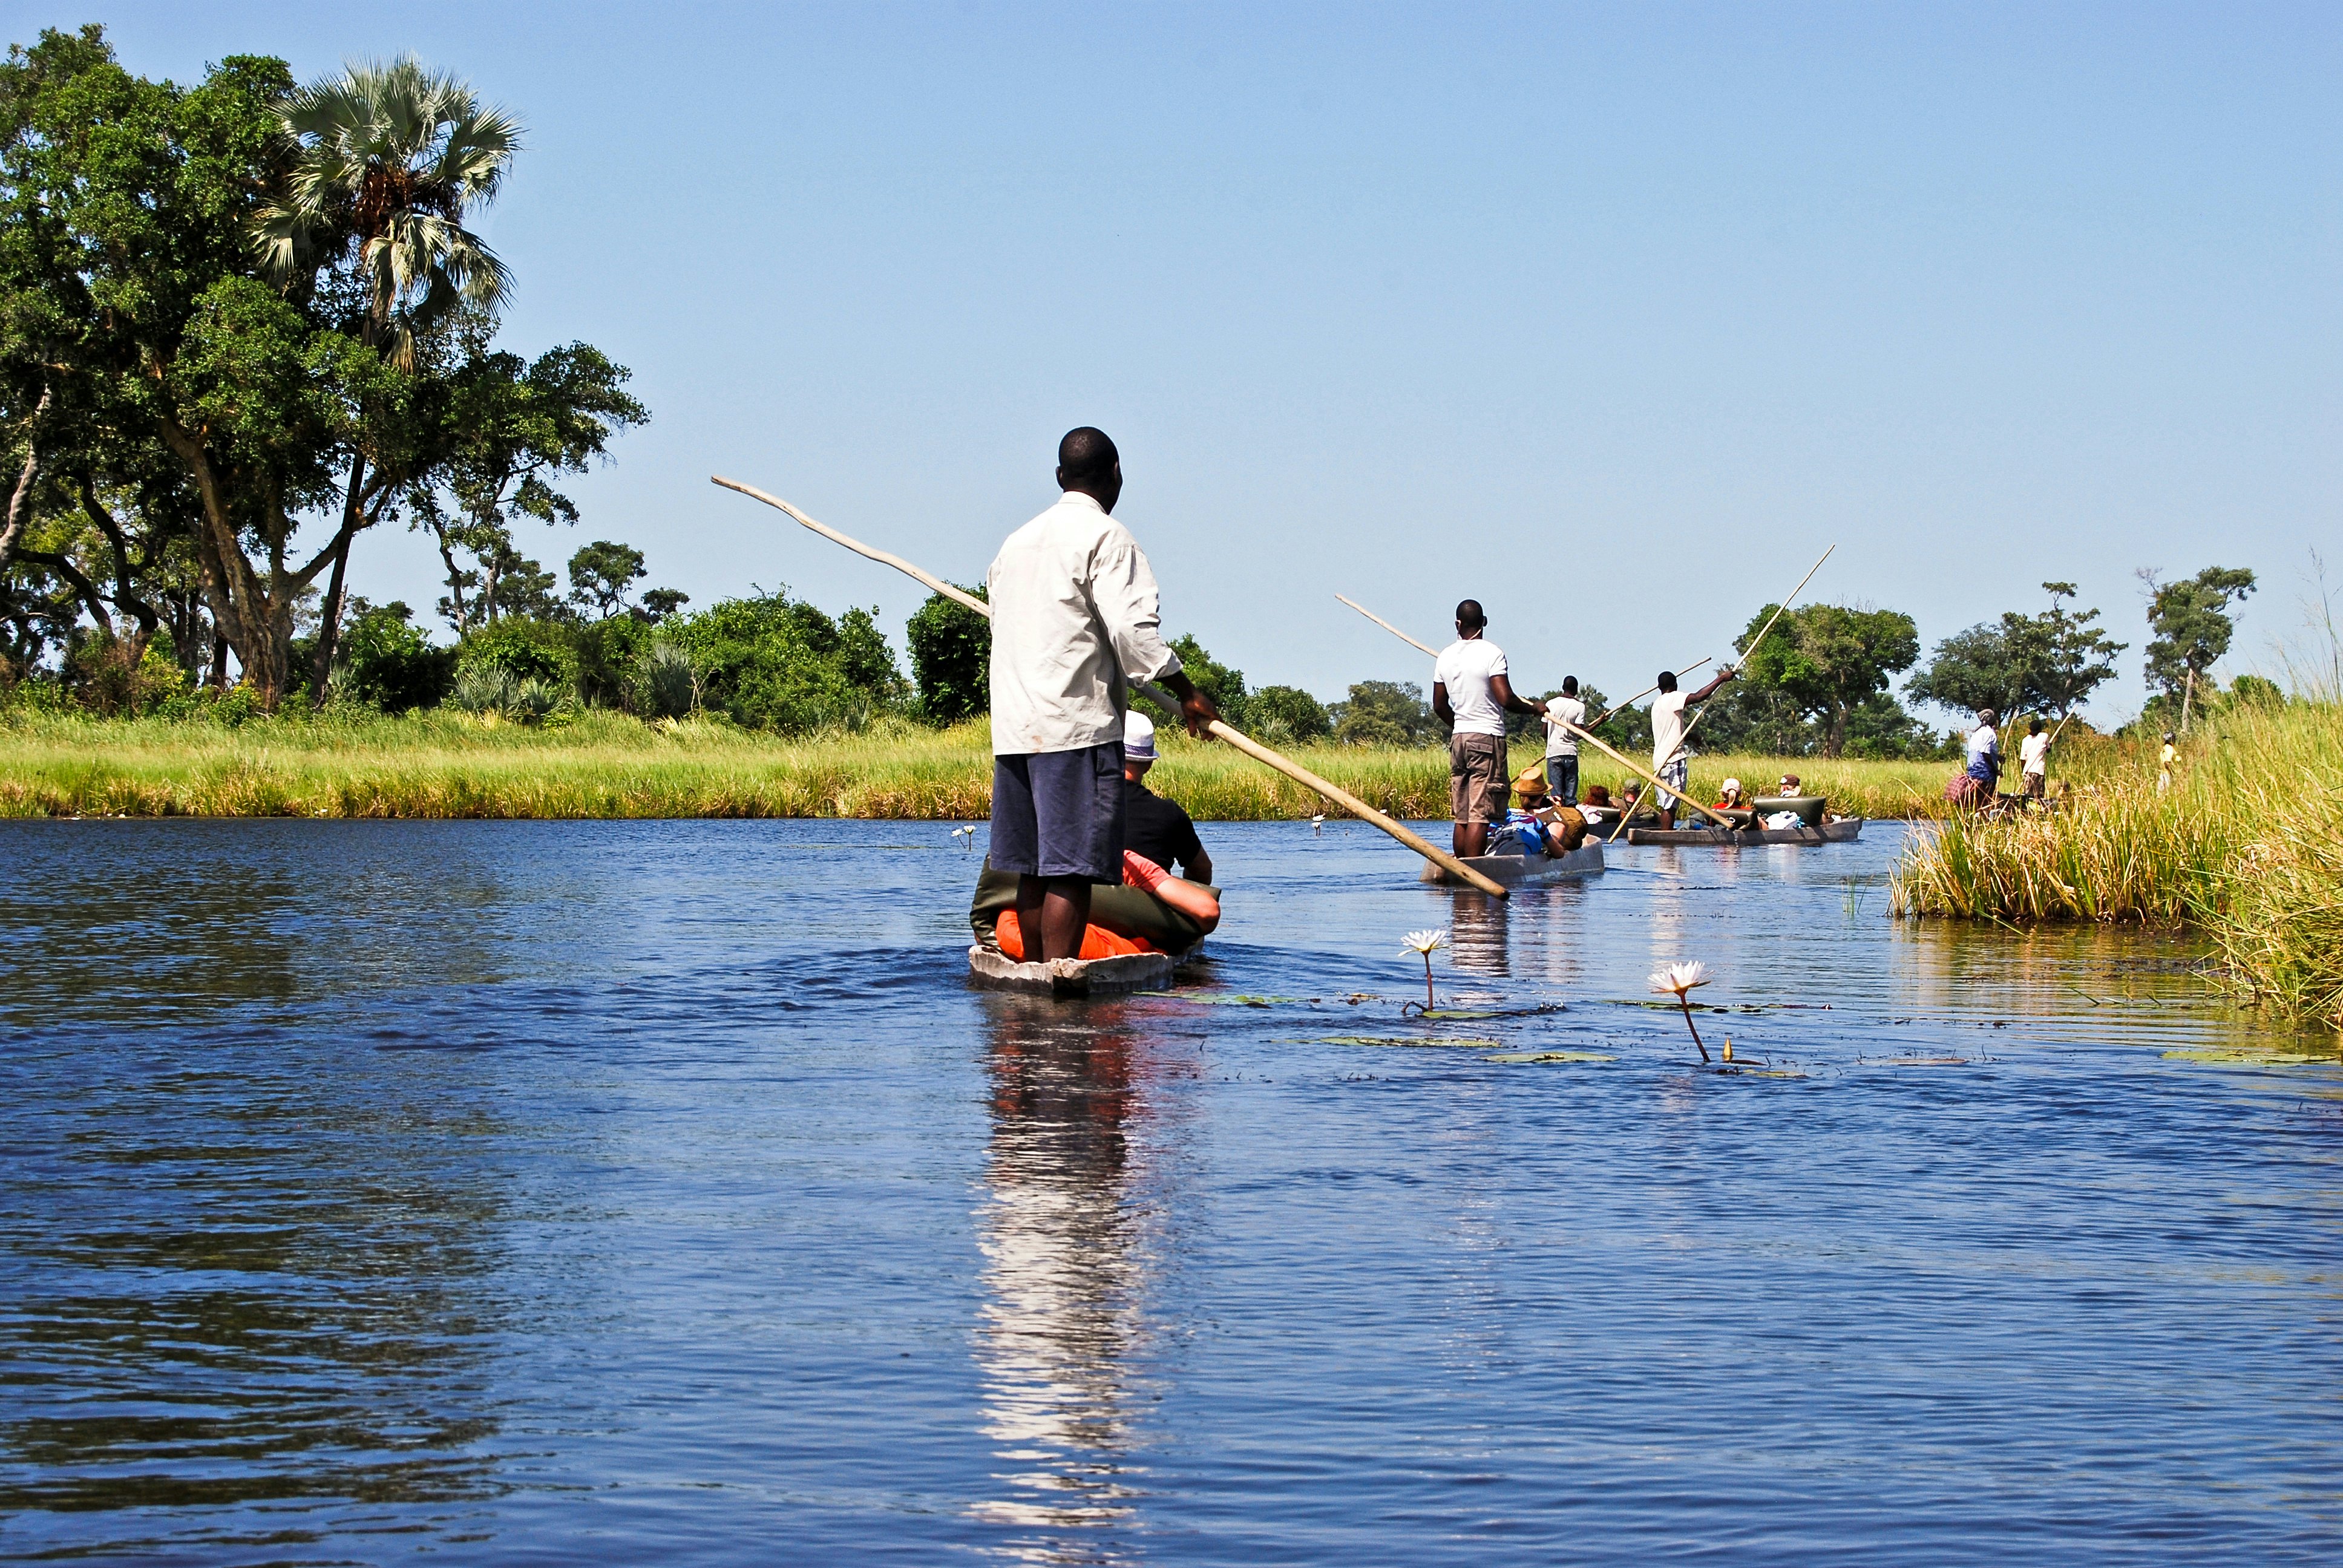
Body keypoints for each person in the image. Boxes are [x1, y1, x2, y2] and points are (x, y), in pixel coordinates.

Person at [988, 426, 1219, 962]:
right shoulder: (1108, 538)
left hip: (1017, 728)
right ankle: (1061, 977)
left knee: (1030, 866)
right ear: (1116, 475)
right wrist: (1187, 692)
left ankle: (1031, 970)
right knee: (1071, 867)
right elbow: (1135, 638)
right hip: (1074, 726)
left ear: (1060, 478)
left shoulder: (1015, 544)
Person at [1432, 600, 1548, 857]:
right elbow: (1505, 698)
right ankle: (1475, 872)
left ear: (1457, 624)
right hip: (1487, 737)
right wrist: (1534, 709)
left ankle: (1460, 870)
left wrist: (1461, 724)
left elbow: (1439, 706)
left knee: (1462, 814)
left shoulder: (1445, 656)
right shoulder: (1492, 653)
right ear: (1484, 622)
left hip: (1459, 738)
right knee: (1480, 814)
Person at [1119, 711, 1212, 886]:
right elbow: (1203, 869)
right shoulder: (1170, 814)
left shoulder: (1077, 803)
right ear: (1149, 765)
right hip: (1148, 909)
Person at [1649, 665, 1737, 830]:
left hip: (1660, 758)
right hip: (1672, 758)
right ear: (1675, 685)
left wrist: (1692, 737)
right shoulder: (1673, 698)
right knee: (1671, 803)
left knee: (1667, 802)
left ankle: (1665, 838)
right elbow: (1698, 697)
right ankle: (1667, 841)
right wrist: (1721, 679)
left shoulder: (1657, 704)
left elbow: (1672, 732)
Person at [1540, 676, 1587, 805]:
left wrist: (1553, 739)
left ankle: (1559, 821)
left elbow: (1543, 733)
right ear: (1576, 690)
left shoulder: (1550, 704)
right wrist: (1600, 722)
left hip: (1554, 753)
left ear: (1563, 687)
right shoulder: (1579, 706)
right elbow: (1580, 734)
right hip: (1570, 753)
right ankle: (1572, 819)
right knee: (1570, 797)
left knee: (1556, 797)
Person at [1965, 708, 2002, 803]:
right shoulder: (1989, 733)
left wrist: (1998, 757)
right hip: (1984, 773)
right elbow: (1985, 754)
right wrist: (1996, 770)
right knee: (1986, 800)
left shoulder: (1977, 733)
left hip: (1972, 772)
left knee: (1977, 800)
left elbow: (1983, 750)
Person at [2019, 717, 2051, 800]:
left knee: (2027, 796)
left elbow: (2023, 759)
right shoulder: (2044, 736)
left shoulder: (2025, 740)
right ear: (2040, 729)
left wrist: (2023, 771)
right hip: (2039, 771)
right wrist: (2050, 745)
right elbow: (2048, 750)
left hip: (2028, 772)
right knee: (2038, 797)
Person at [2158, 730, 2178, 794]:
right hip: (2168, 774)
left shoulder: (2164, 749)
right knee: (2168, 793)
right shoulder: (2170, 748)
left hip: (2163, 773)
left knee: (2161, 794)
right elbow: (2167, 763)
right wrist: (2173, 772)